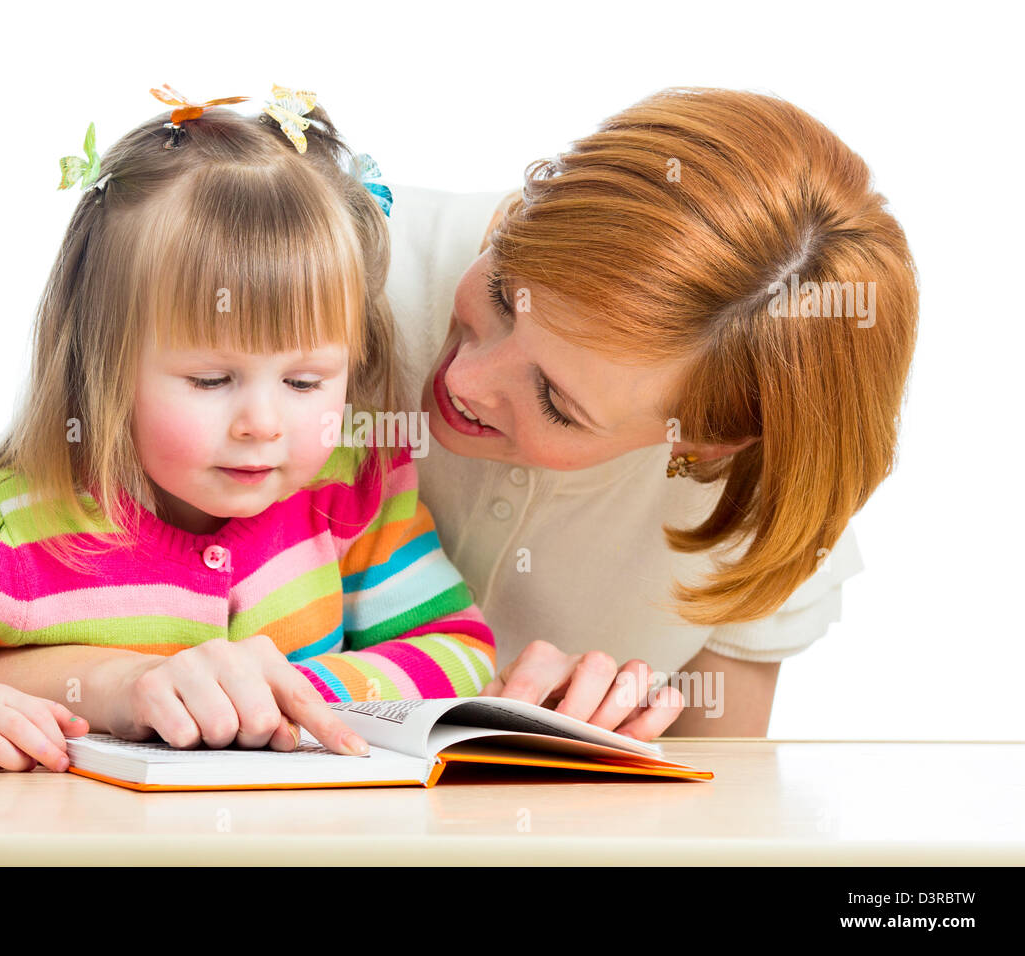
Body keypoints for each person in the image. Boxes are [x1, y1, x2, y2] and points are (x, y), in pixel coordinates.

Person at [0, 86, 497, 772]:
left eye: (305, 382)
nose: (263, 423)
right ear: (102, 366)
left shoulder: (350, 493)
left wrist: (284, 692)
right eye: (210, 380)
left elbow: (460, 656)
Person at [383, 87, 918, 736]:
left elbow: (718, 817)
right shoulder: (325, 269)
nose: (464, 379)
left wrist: (594, 758)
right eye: (502, 292)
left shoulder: (763, 508)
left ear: (711, 442)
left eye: (557, 403)